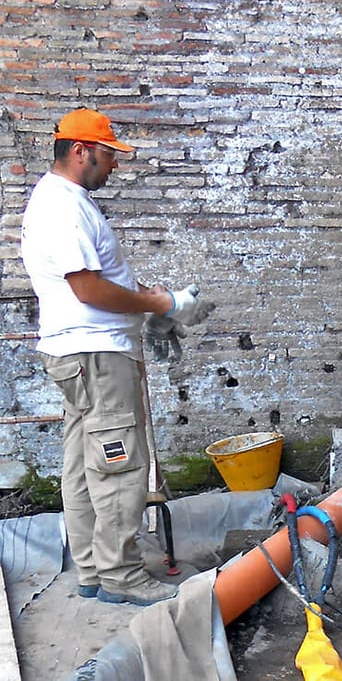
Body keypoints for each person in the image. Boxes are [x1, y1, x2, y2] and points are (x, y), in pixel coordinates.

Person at [20, 108, 208, 606]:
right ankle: (121, 576)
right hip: (98, 357)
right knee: (119, 465)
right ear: (80, 151)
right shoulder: (64, 207)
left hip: (82, 354)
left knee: (85, 464)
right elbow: (88, 289)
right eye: (109, 155)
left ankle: (91, 570)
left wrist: (152, 297)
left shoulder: (63, 201)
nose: (115, 166)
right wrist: (162, 305)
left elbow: (104, 280)